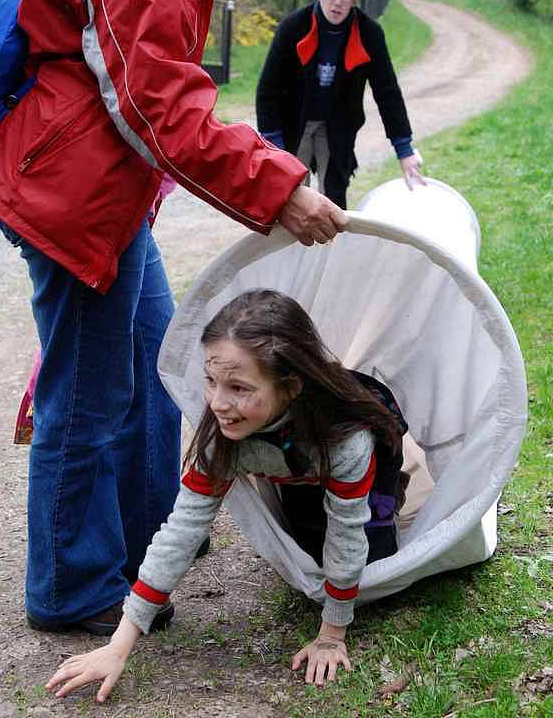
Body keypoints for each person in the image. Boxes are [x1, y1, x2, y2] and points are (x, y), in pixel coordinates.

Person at [0, 0, 347, 636]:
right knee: (89, 393)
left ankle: (152, 534)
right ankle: (72, 584)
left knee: (158, 359)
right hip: (73, 191)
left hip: (107, 181)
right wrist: (279, 188)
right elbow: (157, 102)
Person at [45, 288, 408, 698]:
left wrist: (332, 633)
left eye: (238, 387)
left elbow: (346, 531)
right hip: (289, 460)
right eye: (211, 381)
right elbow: (182, 530)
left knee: (368, 565)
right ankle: (302, 484)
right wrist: (120, 643)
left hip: (351, 449)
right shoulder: (224, 434)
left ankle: (392, 493)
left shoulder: (347, 441)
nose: (218, 402)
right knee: (311, 552)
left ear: (289, 387)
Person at [256, 0, 425, 209]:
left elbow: (387, 91)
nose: (338, 3)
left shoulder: (369, 33)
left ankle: (331, 247)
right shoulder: (293, 27)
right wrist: (273, 145)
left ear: (354, 0)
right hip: (294, 119)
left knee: (333, 196)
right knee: (291, 194)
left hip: (338, 124)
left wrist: (404, 149)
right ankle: (291, 247)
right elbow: (268, 89)